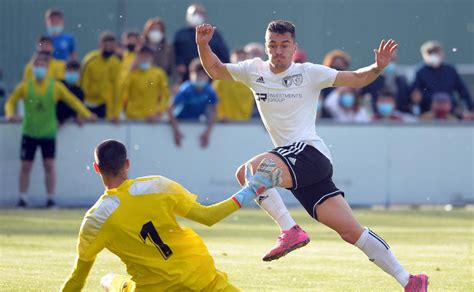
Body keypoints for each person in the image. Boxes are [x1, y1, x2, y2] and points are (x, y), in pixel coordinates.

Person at [196, 20, 428, 290]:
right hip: (296, 164)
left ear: (295, 47)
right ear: (266, 46)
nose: (278, 51)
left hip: (309, 153)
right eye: (273, 45)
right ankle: (410, 280)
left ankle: (289, 230)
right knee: (351, 231)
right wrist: (203, 45)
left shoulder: (309, 73)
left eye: (284, 45)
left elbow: (356, 78)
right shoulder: (253, 70)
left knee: (247, 172)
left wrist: (377, 67)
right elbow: (214, 69)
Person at [61, 139, 282, 291]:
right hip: (200, 279)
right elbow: (208, 216)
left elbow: (77, 280)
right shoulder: (158, 186)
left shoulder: (96, 219)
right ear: (127, 164)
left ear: (97, 168)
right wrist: (251, 190)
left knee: (112, 281)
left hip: (156, 289)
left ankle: (111, 282)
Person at [4, 53, 95, 208]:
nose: (40, 68)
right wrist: (10, 114)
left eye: (43, 66)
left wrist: (87, 114)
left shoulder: (55, 86)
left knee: (49, 165)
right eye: (37, 65)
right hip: (29, 131)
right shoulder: (25, 86)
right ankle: (23, 198)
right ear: (32, 68)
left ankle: (50, 198)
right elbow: (10, 102)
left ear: (47, 69)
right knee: (26, 166)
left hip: (48, 133)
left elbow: (73, 101)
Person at [411, 41, 473, 118]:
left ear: (442, 54)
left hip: (450, 113)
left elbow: (463, 91)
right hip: (428, 113)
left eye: (436, 52)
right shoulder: (420, 72)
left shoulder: (450, 70)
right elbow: (415, 94)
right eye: (430, 53)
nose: (434, 55)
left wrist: (470, 109)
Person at [174, 4, 229, 81]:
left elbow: (224, 56)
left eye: (200, 13)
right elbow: (174, 55)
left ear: (205, 16)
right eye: (194, 13)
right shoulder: (180, 35)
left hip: (211, 79)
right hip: (185, 78)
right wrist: (179, 64)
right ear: (188, 16)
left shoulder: (214, 34)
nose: (197, 16)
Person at [171, 58, 218, 148]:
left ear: (208, 77)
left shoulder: (209, 90)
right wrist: (176, 131)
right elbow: (170, 109)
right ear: (191, 75)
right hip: (180, 121)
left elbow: (214, 112)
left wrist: (208, 132)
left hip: (196, 122)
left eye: (203, 75)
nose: (200, 78)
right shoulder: (186, 89)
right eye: (197, 74)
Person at [118, 46, 170, 122]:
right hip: (132, 118)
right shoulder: (131, 73)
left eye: (147, 56)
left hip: (152, 119)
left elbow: (165, 96)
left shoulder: (158, 73)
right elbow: (121, 90)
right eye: (141, 56)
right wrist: (129, 71)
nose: (144, 59)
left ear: (152, 57)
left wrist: (158, 112)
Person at [81, 32, 121, 119]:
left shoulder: (115, 62)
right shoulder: (90, 60)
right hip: (88, 103)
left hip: (103, 104)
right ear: (101, 45)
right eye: (107, 45)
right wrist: (81, 111)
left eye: (112, 46)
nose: (110, 48)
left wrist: (115, 113)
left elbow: (117, 88)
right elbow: (82, 85)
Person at [213, 49, 254, 122]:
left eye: (243, 59)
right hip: (223, 123)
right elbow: (213, 99)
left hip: (246, 123)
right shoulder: (221, 78)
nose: (240, 61)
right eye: (238, 58)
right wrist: (220, 116)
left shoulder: (252, 80)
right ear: (231, 59)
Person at [142, 18, 177, 83]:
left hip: (161, 82)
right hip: (143, 82)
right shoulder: (140, 47)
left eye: (158, 30)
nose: (156, 32)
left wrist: (175, 83)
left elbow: (173, 68)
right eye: (153, 29)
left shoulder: (168, 48)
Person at [57, 60, 85, 125]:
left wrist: (77, 117)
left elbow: (77, 109)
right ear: (65, 71)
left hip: (67, 125)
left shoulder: (80, 92)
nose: (72, 73)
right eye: (70, 70)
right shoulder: (58, 85)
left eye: (75, 71)